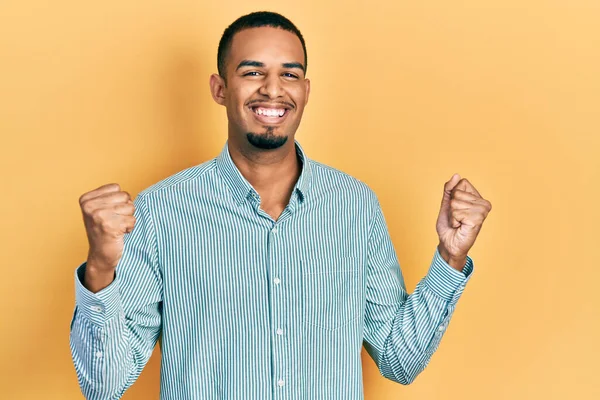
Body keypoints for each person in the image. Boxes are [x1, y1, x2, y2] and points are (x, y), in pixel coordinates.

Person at [70, 11, 492, 400]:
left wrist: (450, 257)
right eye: (252, 72)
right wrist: (100, 269)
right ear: (220, 89)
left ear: (305, 92)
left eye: (289, 74)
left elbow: (400, 360)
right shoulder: (161, 211)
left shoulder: (354, 206)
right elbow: (105, 384)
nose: (273, 89)